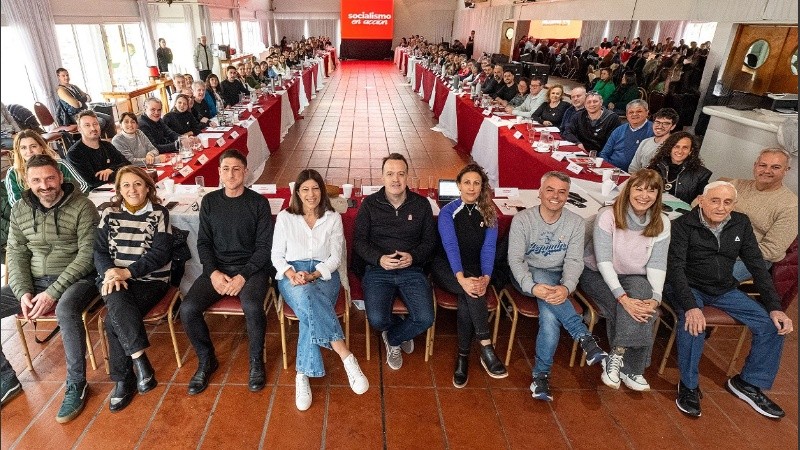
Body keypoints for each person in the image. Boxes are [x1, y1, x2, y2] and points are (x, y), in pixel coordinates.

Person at [667, 181, 793, 419]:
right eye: (715, 200)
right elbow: (675, 269)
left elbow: (756, 265)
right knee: (694, 323)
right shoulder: (682, 225)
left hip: (723, 288)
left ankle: (747, 383)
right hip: (688, 286)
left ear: (734, 205)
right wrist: (691, 307)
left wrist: (775, 308)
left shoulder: (740, 223)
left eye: (727, 202)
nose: (721, 207)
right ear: (702, 201)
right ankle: (689, 386)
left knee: (771, 325)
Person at [0, 154, 99, 422]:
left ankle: (77, 384)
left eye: (50, 178)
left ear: (60, 176)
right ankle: (6, 378)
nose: (44, 185)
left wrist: (52, 292)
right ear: (27, 182)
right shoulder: (20, 209)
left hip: (79, 280)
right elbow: (16, 252)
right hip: (33, 281)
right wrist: (23, 292)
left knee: (66, 310)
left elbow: (87, 256)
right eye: (36, 180)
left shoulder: (83, 206)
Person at [272, 169, 369, 411]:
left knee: (309, 305)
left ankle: (302, 375)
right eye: (305, 189)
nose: (310, 194)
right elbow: (276, 255)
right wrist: (292, 274)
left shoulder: (333, 218)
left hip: (325, 274)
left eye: (315, 188)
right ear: (297, 192)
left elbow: (336, 257)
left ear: (322, 191)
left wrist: (314, 274)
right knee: (306, 295)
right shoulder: (285, 217)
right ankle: (346, 356)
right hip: (292, 274)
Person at [179, 149, 274, 395]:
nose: (230, 174)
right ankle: (206, 358)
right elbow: (204, 243)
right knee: (188, 309)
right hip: (218, 269)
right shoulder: (210, 202)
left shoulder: (258, 203)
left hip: (252, 270)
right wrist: (212, 273)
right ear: (219, 173)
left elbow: (265, 248)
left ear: (245, 172)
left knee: (253, 306)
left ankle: (256, 361)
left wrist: (243, 276)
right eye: (225, 169)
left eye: (236, 169)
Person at [508, 171, 607, 401]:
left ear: (568, 196)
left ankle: (540, 378)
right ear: (540, 193)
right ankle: (583, 336)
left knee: (550, 317)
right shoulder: (522, 220)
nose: (556, 196)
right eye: (550, 190)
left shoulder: (575, 223)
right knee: (540, 273)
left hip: (558, 281)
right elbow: (516, 260)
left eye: (562, 192)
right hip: (525, 278)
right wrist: (532, 286)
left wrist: (567, 287)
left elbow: (574, 261)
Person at [579, 169, 671, 391]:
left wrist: (656, 298)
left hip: (634, 275)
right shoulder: (608, 215)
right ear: (628, 190)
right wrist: (622, 298)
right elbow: (604, 262)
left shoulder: (663, 222)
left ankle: (617, 356)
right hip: (596, 273)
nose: (644, 195)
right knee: (629, 309)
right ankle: (634, 368)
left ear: (658, 195)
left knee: (644, 304)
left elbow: (657, 263)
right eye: (638, 188)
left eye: (651, 190)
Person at [94, 166, 172, 412]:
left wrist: (126, 272)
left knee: (112, 321)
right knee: (116, 300)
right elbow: (98, 251)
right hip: (112, 278)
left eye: (137, 184)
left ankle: (123, 380)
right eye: (126, 185)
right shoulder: (109, 213)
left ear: (148, 187)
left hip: (150, 280)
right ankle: (139, 363)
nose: (132, 189)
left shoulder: (159, 214)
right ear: (118, 190)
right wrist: (110, 272)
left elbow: (161, 253)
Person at [353, 153, 436, 371]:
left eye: (400, 173)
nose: (395, 179)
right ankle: (397, 333)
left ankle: (394, 338)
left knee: (425, 318)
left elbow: (430, 241)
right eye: (390, 174)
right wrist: (379, 259)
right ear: (382, 177)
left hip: (412, 270)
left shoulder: (421, 205)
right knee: (377, 320)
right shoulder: (370, 205)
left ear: (408, 176)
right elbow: (359, 242)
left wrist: (414, 257)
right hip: (378, 269)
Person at [431, 164, 507, 388]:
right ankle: (486, 346)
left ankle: (463, 357)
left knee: (470, 296)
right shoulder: (448, 212)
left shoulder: (489, 212)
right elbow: (450, 246)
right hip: (446, 266)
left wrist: (486, 276)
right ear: (458, 186)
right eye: (467, 182)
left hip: (474, 268)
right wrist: (461, 278)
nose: (471, 188)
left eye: (476, 183)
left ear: (482, 186)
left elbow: (489, 248)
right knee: (470, 291)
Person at [725, 148, 798, 281]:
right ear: (755, 165)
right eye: (762, 165)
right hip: (717, 242)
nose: (767, 171)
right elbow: (700, 202)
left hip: (754, 257)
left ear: (786, 170)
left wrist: (729, 249)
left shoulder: (791, 205)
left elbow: (772, 250)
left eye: (775, 167)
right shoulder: (736, 185)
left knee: (707, 277)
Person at [5, 130, 88, 205]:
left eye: (33, 146)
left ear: (41, 147)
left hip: (68, 208)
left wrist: (62, 205)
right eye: (23, 148)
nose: (29, 151)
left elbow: (82, 186)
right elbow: (15, 203)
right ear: (18, 151)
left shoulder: (60, 164)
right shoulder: (13, 172)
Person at [67, 111, 130, 189]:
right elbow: (93, 182)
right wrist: (117, 171)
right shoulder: (74, 153)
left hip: (117, 187)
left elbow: (127, 164)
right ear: (79, 129)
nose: (93, 128)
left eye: (95, 124)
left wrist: (111, 169)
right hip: (94, 194)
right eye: (87, 125)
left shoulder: (107, 145)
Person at [647, 131, 712, 204]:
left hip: (681, 213)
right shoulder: (656, 166)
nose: (680, 151)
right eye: (676, 146)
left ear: (691, 151)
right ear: (669, 148)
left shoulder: (700, 174)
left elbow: (702, 201)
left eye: (685, 148)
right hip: (653, 208)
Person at [55, 68, 116, 138]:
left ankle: (98, 138)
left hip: (85, 111)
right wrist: (83, 99)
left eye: (67, 75)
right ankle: (92, 139)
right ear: (58, 77)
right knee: (101, 121)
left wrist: (80, 100)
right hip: (75, 115)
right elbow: (76, 105)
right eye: (63, 76)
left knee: (108, 118)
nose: (66, 77)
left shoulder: (74, 86)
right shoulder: (61, 90)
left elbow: (89, 98)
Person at [599, 100, 654, 171]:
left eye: (639, 111)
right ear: (627, 115)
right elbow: (604, 153)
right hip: (611, 169)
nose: (634, 114)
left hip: (635, 174)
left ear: (647, 113)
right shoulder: (619, 130)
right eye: (631, 112)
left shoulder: (653, 130)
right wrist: (607, 169)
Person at [628, 108, 679, 173]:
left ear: (673, 127)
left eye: (665, 124)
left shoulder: (674, 147)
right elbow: (633, 167)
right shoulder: (645, 142)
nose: (660, 126)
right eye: (657, 122)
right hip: (639, 180)